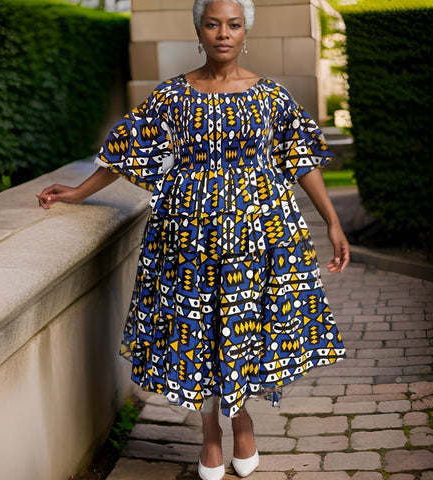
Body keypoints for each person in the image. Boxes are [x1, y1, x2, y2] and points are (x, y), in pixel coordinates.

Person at [37, 1, 349, 478]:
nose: (223, 33)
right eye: (213, 24)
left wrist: (332, 220)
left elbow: (301, 159)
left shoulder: (271, 97)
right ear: (198, 31)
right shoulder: (171, 96)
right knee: (199, 332)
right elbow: (126, 151)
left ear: (246, 32)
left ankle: (241, 419)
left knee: (247, 327)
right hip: (187, 237)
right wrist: (78, 192)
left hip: (258, 237)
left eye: (234, 24)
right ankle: (211, 431)